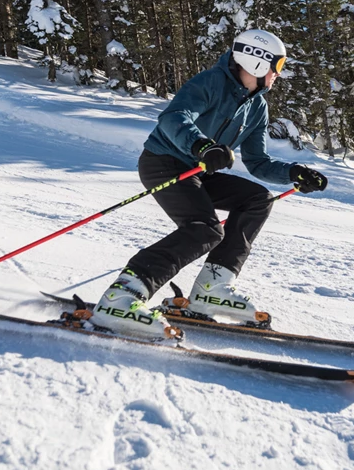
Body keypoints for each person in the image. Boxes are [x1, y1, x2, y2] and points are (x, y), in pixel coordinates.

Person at [92, 29, 328, 339]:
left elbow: (257, 162)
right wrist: (201, 146)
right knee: (204, 230)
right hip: (164, 163)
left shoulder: (256, 107)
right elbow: (173, 118)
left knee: (258, 199)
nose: (276, 75)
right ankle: (121, 298)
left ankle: (211, 288)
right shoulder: (209, 83)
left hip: (200, 171)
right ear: (256, 63)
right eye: (277, 66)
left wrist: (293, 172)